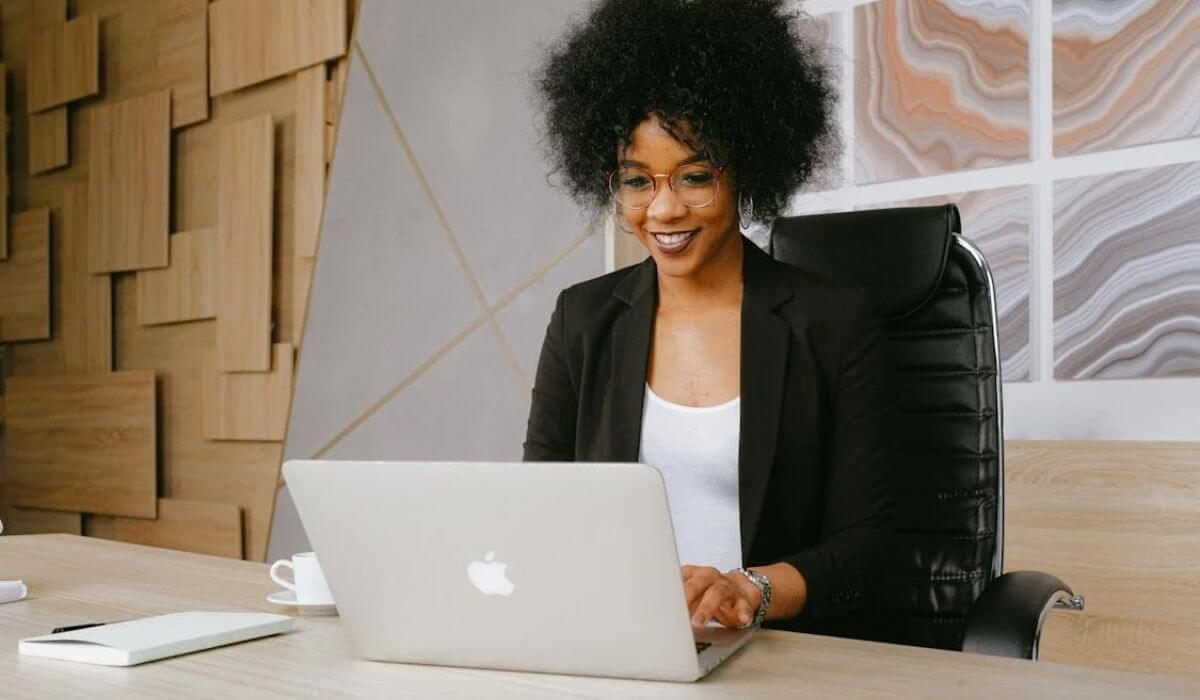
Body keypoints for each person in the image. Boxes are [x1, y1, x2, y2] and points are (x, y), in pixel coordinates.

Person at [524, 0, 898, 640]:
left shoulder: (833, 322)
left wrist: (750, 588)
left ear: (748, 167)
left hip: (781, 650)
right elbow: (542, 506)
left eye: (695, 176)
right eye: (637, 181)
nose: (662, 210)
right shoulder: (583, 319)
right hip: (619, 641)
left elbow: (874, 543)